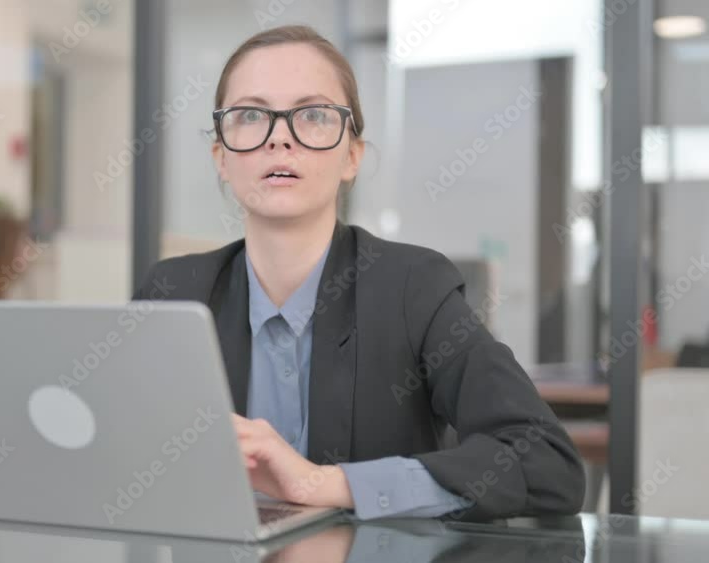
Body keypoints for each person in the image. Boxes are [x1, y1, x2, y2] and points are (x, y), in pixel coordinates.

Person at [133, 25, 585, 521]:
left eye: (312, 114)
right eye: (250, 115)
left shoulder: (414, 289)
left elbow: (546, 463)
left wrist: (324, 484)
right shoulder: (173, 294)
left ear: (352, 156)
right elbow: (119, 458)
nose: (279, 137)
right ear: (221, 156)